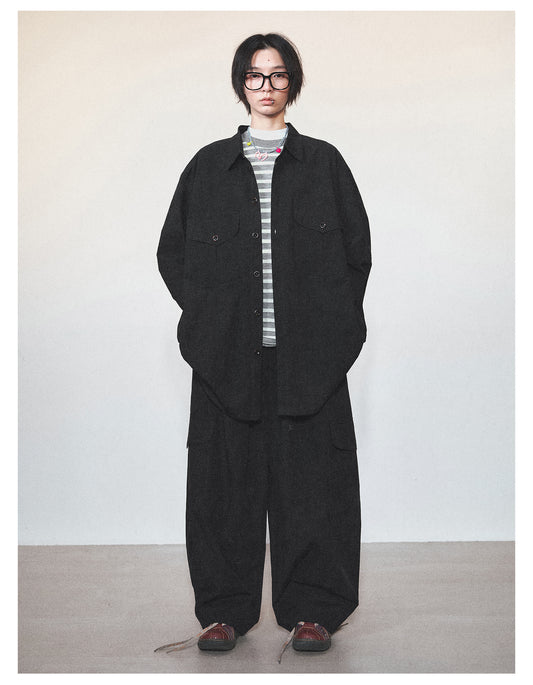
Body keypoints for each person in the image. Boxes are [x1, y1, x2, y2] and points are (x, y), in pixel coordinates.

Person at [154, 32, 371, 661]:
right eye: (255, 75)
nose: (267, 86)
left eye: (277, 75)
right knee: (222, 487)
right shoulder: (206, 168)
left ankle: (314, 613)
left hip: (310, 360)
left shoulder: (324, 164)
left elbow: (356, 255)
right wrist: (211, 324)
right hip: (227, 361)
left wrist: (330, 333)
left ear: (292, 83)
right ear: (240, 84)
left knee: (316, 486)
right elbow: (173, 254)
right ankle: (223, 612)